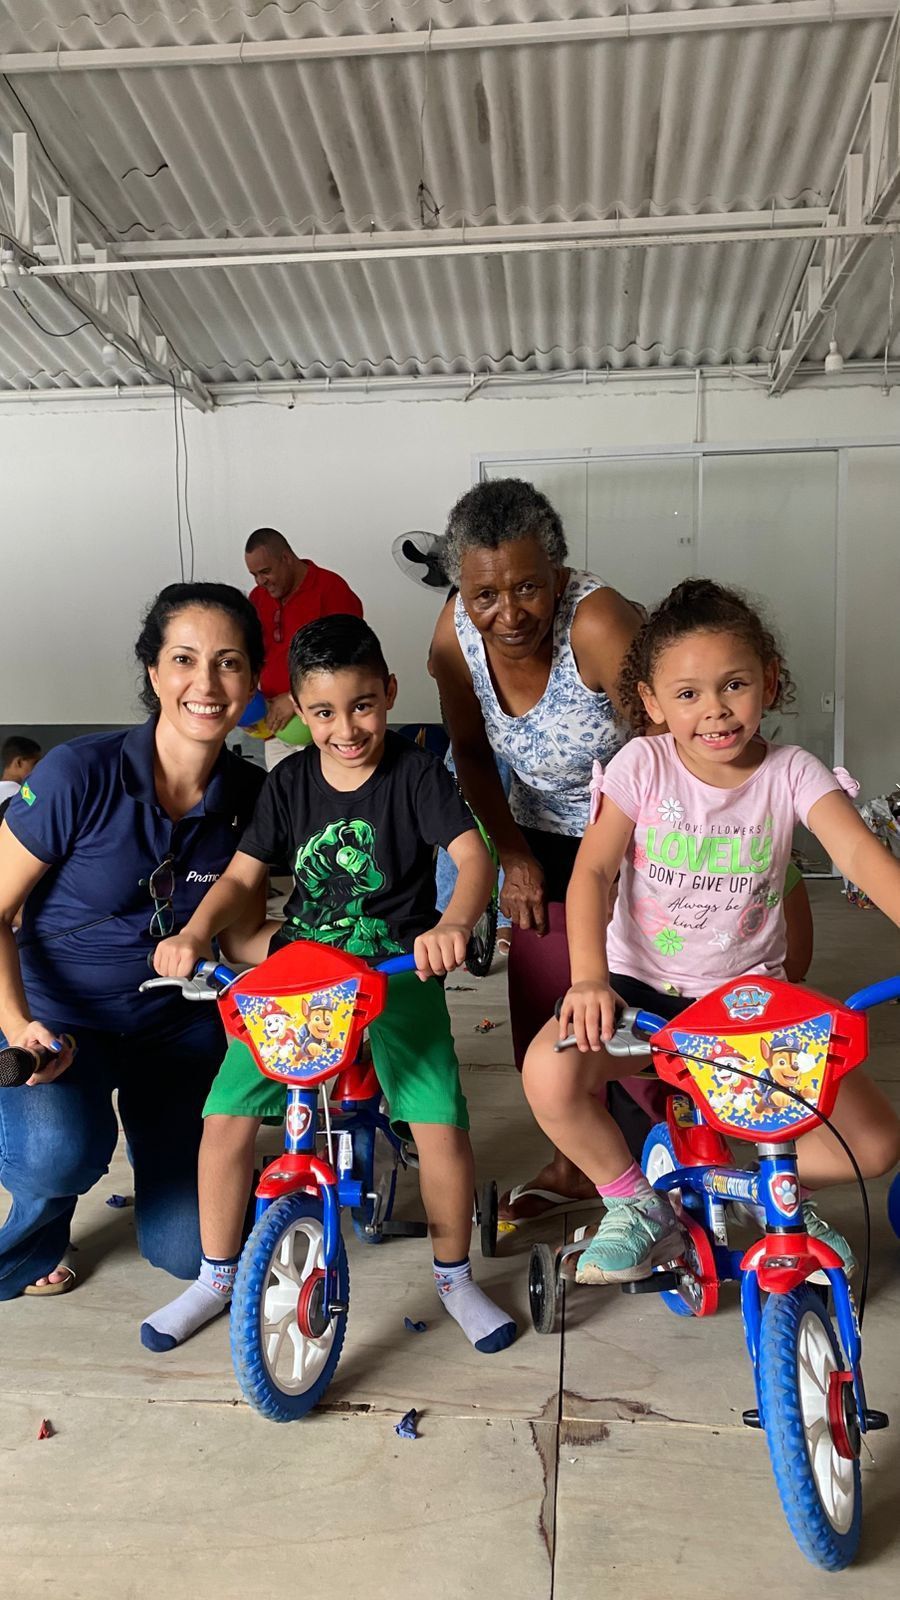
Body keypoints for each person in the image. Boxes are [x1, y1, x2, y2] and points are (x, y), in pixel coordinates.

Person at [141, 614, 517, 1358]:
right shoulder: (288, 784)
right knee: (226, 1115)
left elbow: (474, 860)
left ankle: (452, 1276)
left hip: (393, 970)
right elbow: (244, 875)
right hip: (302, 978)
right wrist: (191, 932)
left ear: (389, 694)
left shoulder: (415, 775)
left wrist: (451, 923)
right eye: (323, 712)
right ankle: (218, 1275)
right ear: (300, 713)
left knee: (438, 1119)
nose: (346, 728)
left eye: (363, 705)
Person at [522, 578, 900, 1285]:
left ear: (770, 682)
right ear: (652, 704)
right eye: (688, 694)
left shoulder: (792, 773)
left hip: (747, 1005)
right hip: (638, 992)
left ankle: (763, 1187)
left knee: (876, 1145)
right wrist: (588, 979)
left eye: (734, 685)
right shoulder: (645, 765)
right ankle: (636, 1204)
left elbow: (857, 855)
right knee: (548, 1073)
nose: (715, 710)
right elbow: (594, 873)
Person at [0, 584, 266, 1300]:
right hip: (60, 1023)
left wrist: (349, 948)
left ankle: (191, 1162)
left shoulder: (249, 794)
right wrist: (20, 1026)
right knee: (57, 1152)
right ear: (153, 672)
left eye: (229, 663)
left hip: (176, 1031)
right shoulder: (76, 775)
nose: (205, 684)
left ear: (253, 681)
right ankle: (36, 1223)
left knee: (190, 1254)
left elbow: (242, 936)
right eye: (184, 659)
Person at [429, 478, 648, 1222]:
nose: (508, 612)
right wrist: (512, 853)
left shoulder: (598, 623)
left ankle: (659, 1154)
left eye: (529, 587)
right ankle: (577, 1159)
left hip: (638, 829)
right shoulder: (455, 630)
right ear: (462, 584)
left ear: (559, 573)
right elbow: (468, 749)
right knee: (541, 997)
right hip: (537, 829)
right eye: (485, 594)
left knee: (636, 991)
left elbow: (664, 747)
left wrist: (625, 867)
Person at [245, 527, 363, 769]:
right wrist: (246, 710)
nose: (260, 582)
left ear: (287, 558)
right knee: (286, 801)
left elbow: (349, 659)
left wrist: (295, 699)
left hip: (327, 726)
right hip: (275, 728)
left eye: (265, 572)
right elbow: (252, 654)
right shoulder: (258, 597)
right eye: (254, 575)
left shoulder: (331, 589)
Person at [0, 736, 41, 811]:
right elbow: (40, 811)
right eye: (34, 764)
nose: (38, 768)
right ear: (19, 762)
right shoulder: (25, 793)